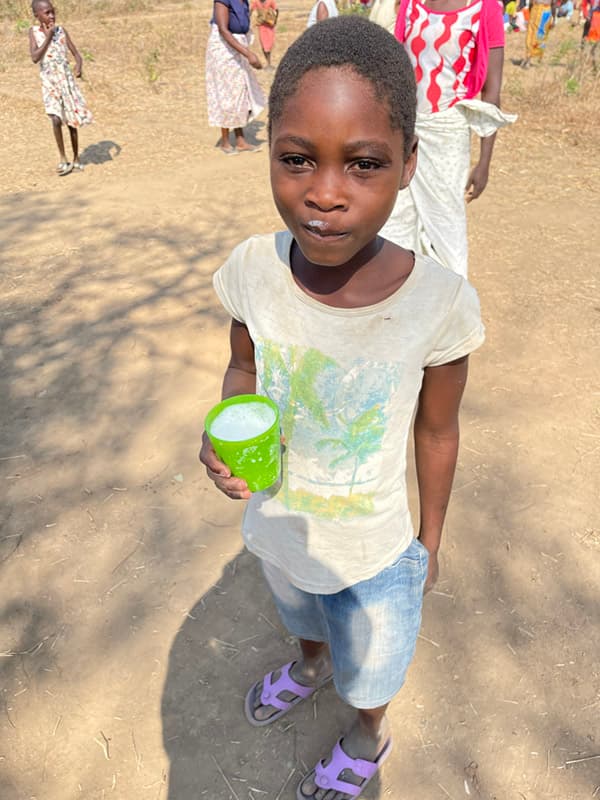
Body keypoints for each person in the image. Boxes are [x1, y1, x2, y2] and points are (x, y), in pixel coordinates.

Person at [200, 17, 485, 800]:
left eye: (364, 164)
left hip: (377, 552)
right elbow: (242, 367)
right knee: (302, 615)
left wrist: (429, 542)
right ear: (268, 150)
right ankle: (309, 665)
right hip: (280, 522)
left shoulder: (439, 304)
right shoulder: (253, 270)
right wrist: (225, 429)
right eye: (297, 159)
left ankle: (367, 731)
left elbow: (438, 429)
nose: (325, 194)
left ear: (409, 163)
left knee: (374, 668)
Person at [379, 0, 516, 277]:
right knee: (394, 222)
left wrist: (484, 162)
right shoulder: (412, 4)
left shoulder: (484, 8)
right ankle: (401, 291)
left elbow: (491, 91)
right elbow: (396, 69)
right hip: (406, 128)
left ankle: (454, 295)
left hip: (447, 134)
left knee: (445, 226)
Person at [29, 0, 93, 177]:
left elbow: (77, 54)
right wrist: (48, 37)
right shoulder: (34, 32)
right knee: (55, 119)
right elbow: (35, 57)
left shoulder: (61, 31)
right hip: (50, 83)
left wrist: (78, 66)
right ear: (37, 15)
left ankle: (76, 158)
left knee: (71, 121)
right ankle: (63, 158)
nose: (51, 16)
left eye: (52, 12)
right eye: (47, 13)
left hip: (66, 81)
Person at [206, 0, 266, 154]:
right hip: (223, 50)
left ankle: (240, 140)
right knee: (226, 94)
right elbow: (223, 30)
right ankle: (225, 141)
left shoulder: (244, 1)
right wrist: (248, 54)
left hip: (238, 47)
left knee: (241, 92)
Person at [522, 0, 557, 67]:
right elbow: (530, 3)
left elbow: (554, 4)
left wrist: (554, 18)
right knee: (530, 35)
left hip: (545, 12)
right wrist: (529, 14)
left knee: (540, 36)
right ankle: (528, 58)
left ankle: (537, 58)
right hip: (534, 10)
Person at [251, 0, 278, 69]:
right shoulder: (256, 1)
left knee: (270, 44)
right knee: (264, 44)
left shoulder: (270, 1)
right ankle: (268, 62)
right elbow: (251, 10)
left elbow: (276, 10)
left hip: (269, 26)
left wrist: (275, 21)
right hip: (262, 26)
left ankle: (269, 62)